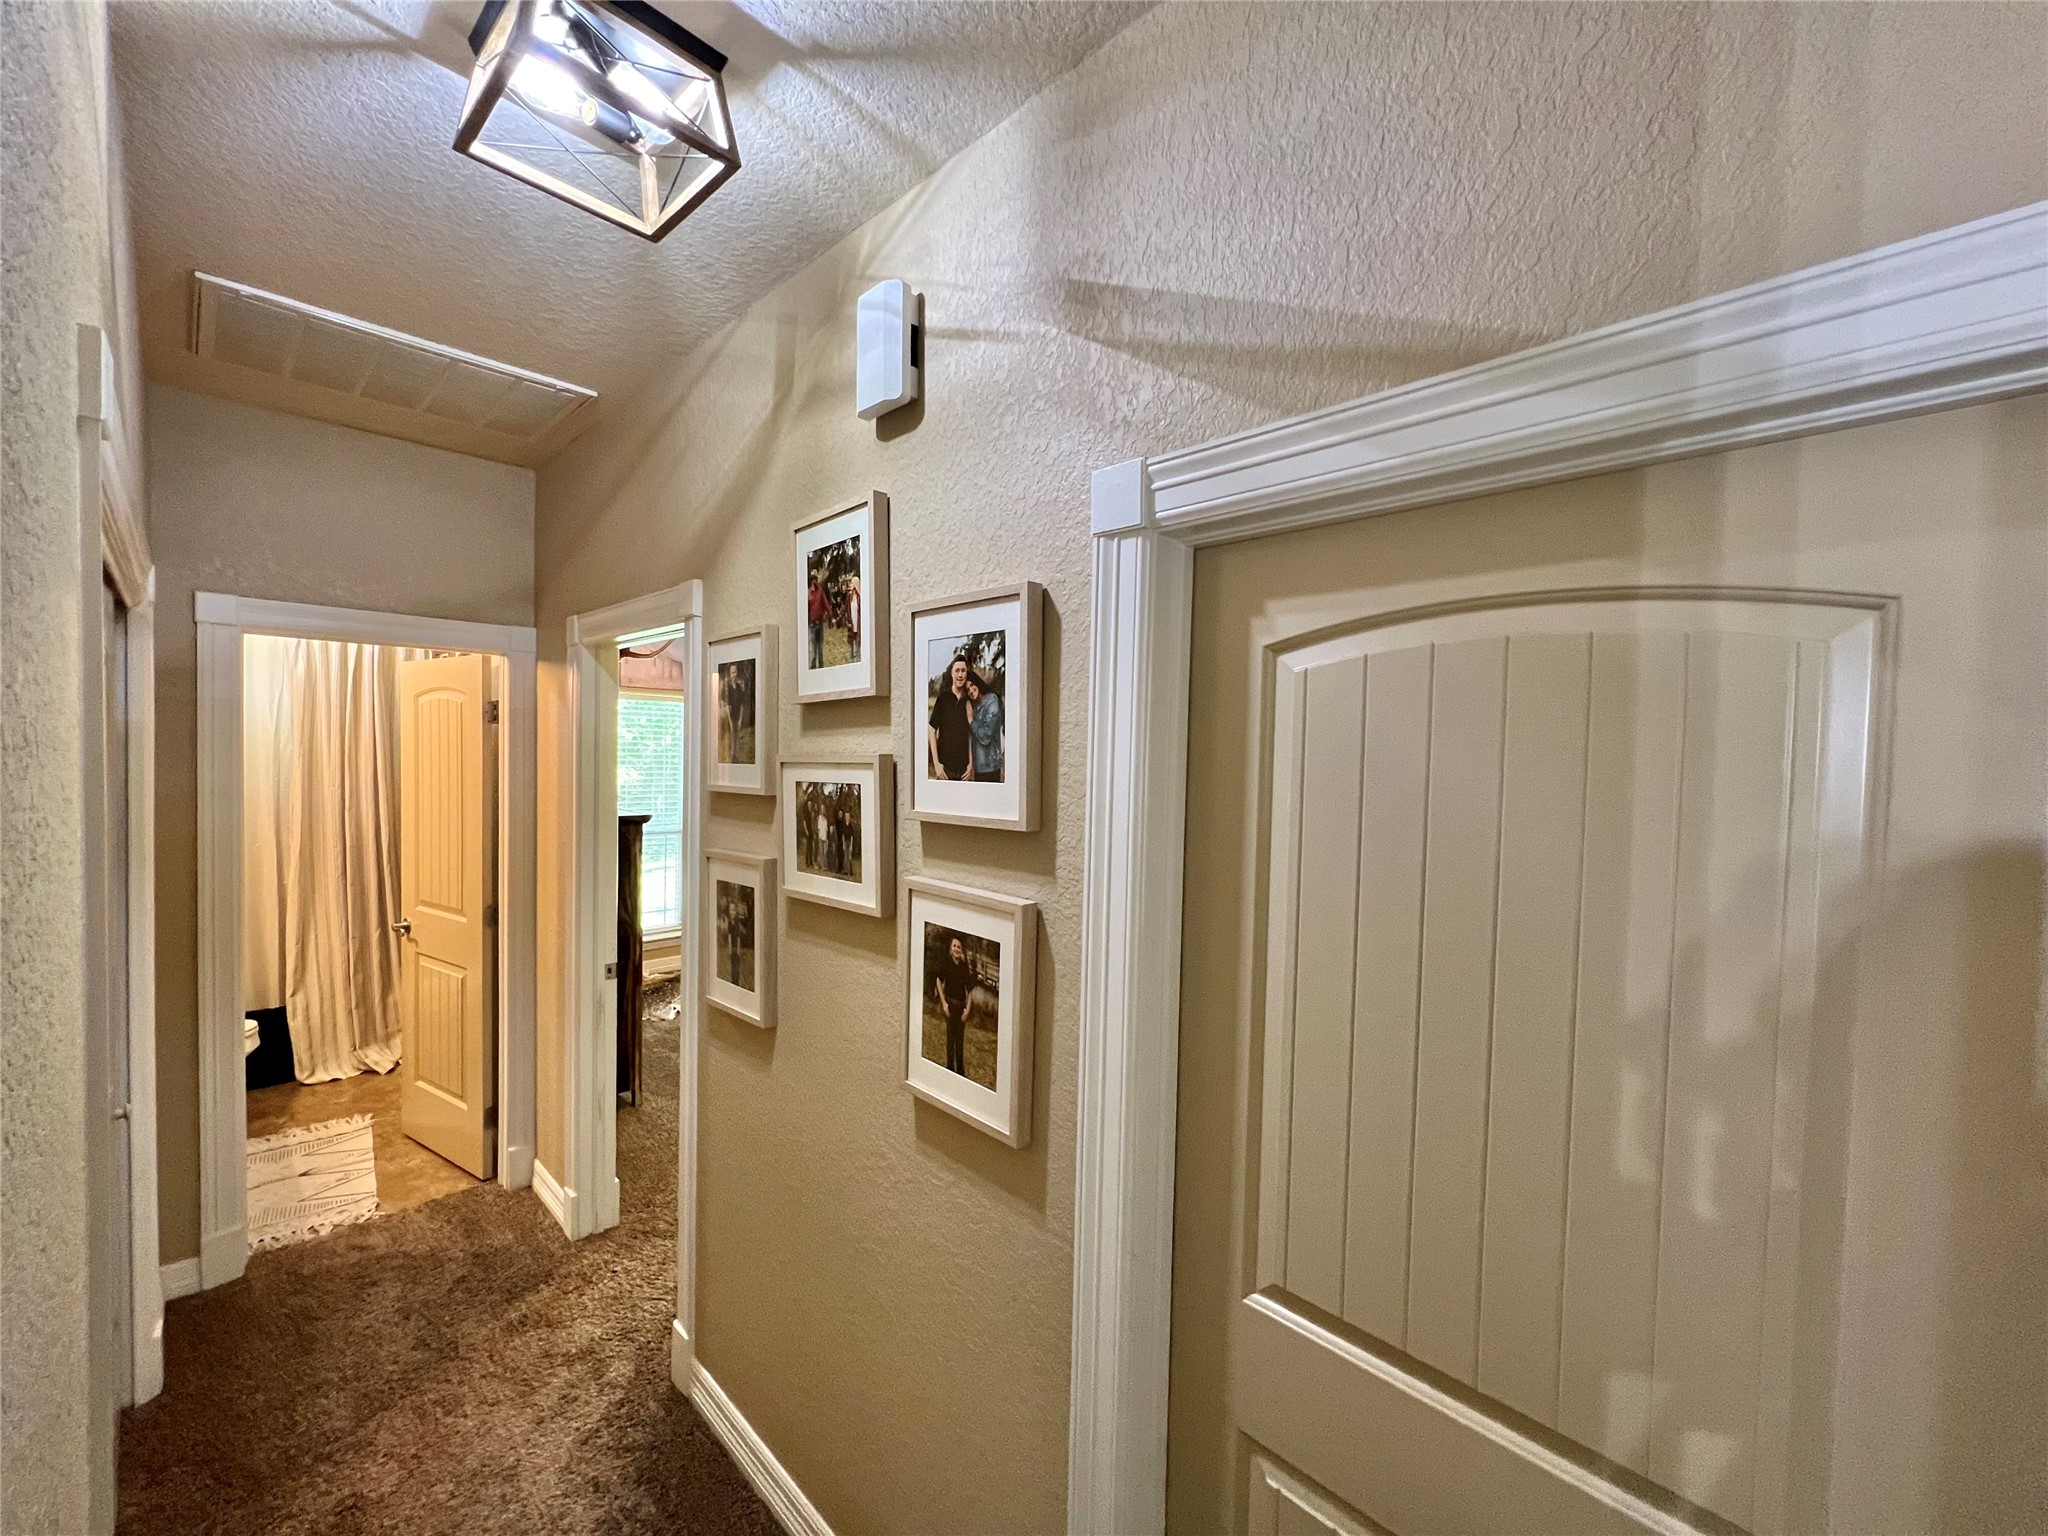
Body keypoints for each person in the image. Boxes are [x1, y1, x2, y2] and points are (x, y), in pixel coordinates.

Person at [928, 653, 976, 781]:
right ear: (952, 673)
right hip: (945, 770)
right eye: (957, 671)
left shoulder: (969, 701)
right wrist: (937, 764)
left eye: (963, 671)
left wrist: (971, 764)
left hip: (964, 771)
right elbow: (932, 731)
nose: (960, 675)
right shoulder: (943, 699)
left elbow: (970, 736)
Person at [933, 933, 975, 1077]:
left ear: (961, 950)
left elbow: (970, 991)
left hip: (961, 1007)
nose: (957, 949)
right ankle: (950, 1069)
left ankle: (960, 1072)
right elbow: (938, 979)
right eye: (954, 946)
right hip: (949, 1005)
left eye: (959, 947)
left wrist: (967, 1009)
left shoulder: (964, 967)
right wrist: (943, 1002)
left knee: (960, 1041)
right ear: (951, 948)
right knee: (951, 1040)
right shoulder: (947, 963)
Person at [965, 671, 1004, 783]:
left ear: (977, 683)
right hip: (978, 768)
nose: (971, 691)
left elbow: (986, 736)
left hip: (991, 766)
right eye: (967, 690)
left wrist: (971, 721)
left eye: (972, 685)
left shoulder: (992, 702)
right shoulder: (974, 705)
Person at [807, 572, 828, 669]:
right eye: (813, 580)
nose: (815, 582)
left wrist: (831, 616)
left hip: (820, 623)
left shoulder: (820, 592)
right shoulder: (808, 593)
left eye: (816, 580)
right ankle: (813, 666)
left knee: (820, 647)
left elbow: (826, 604)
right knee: (813, 647)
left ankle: (821, 666)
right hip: (812, 624)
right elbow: (806, 609)